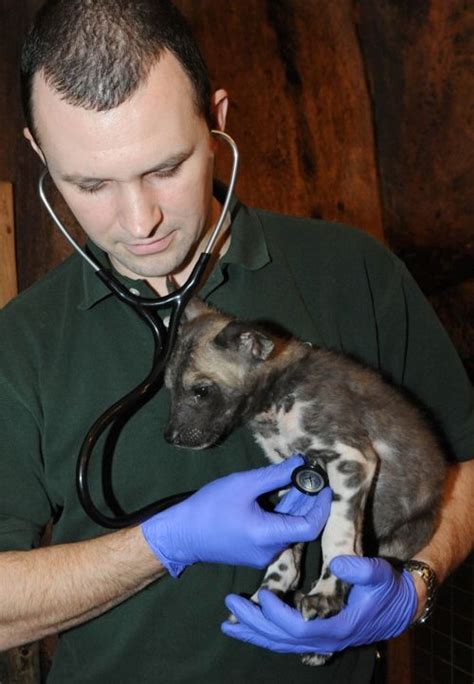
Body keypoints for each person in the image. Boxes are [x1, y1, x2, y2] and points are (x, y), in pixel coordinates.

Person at [0, 0, 472, 682]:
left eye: (166, 168)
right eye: (91, 183)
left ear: (217, 120)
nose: (141, 222)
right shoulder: (22, 344)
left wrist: (415, 589)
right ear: (40, 153)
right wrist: (165, 545)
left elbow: (467, 463)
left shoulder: (353, 271)